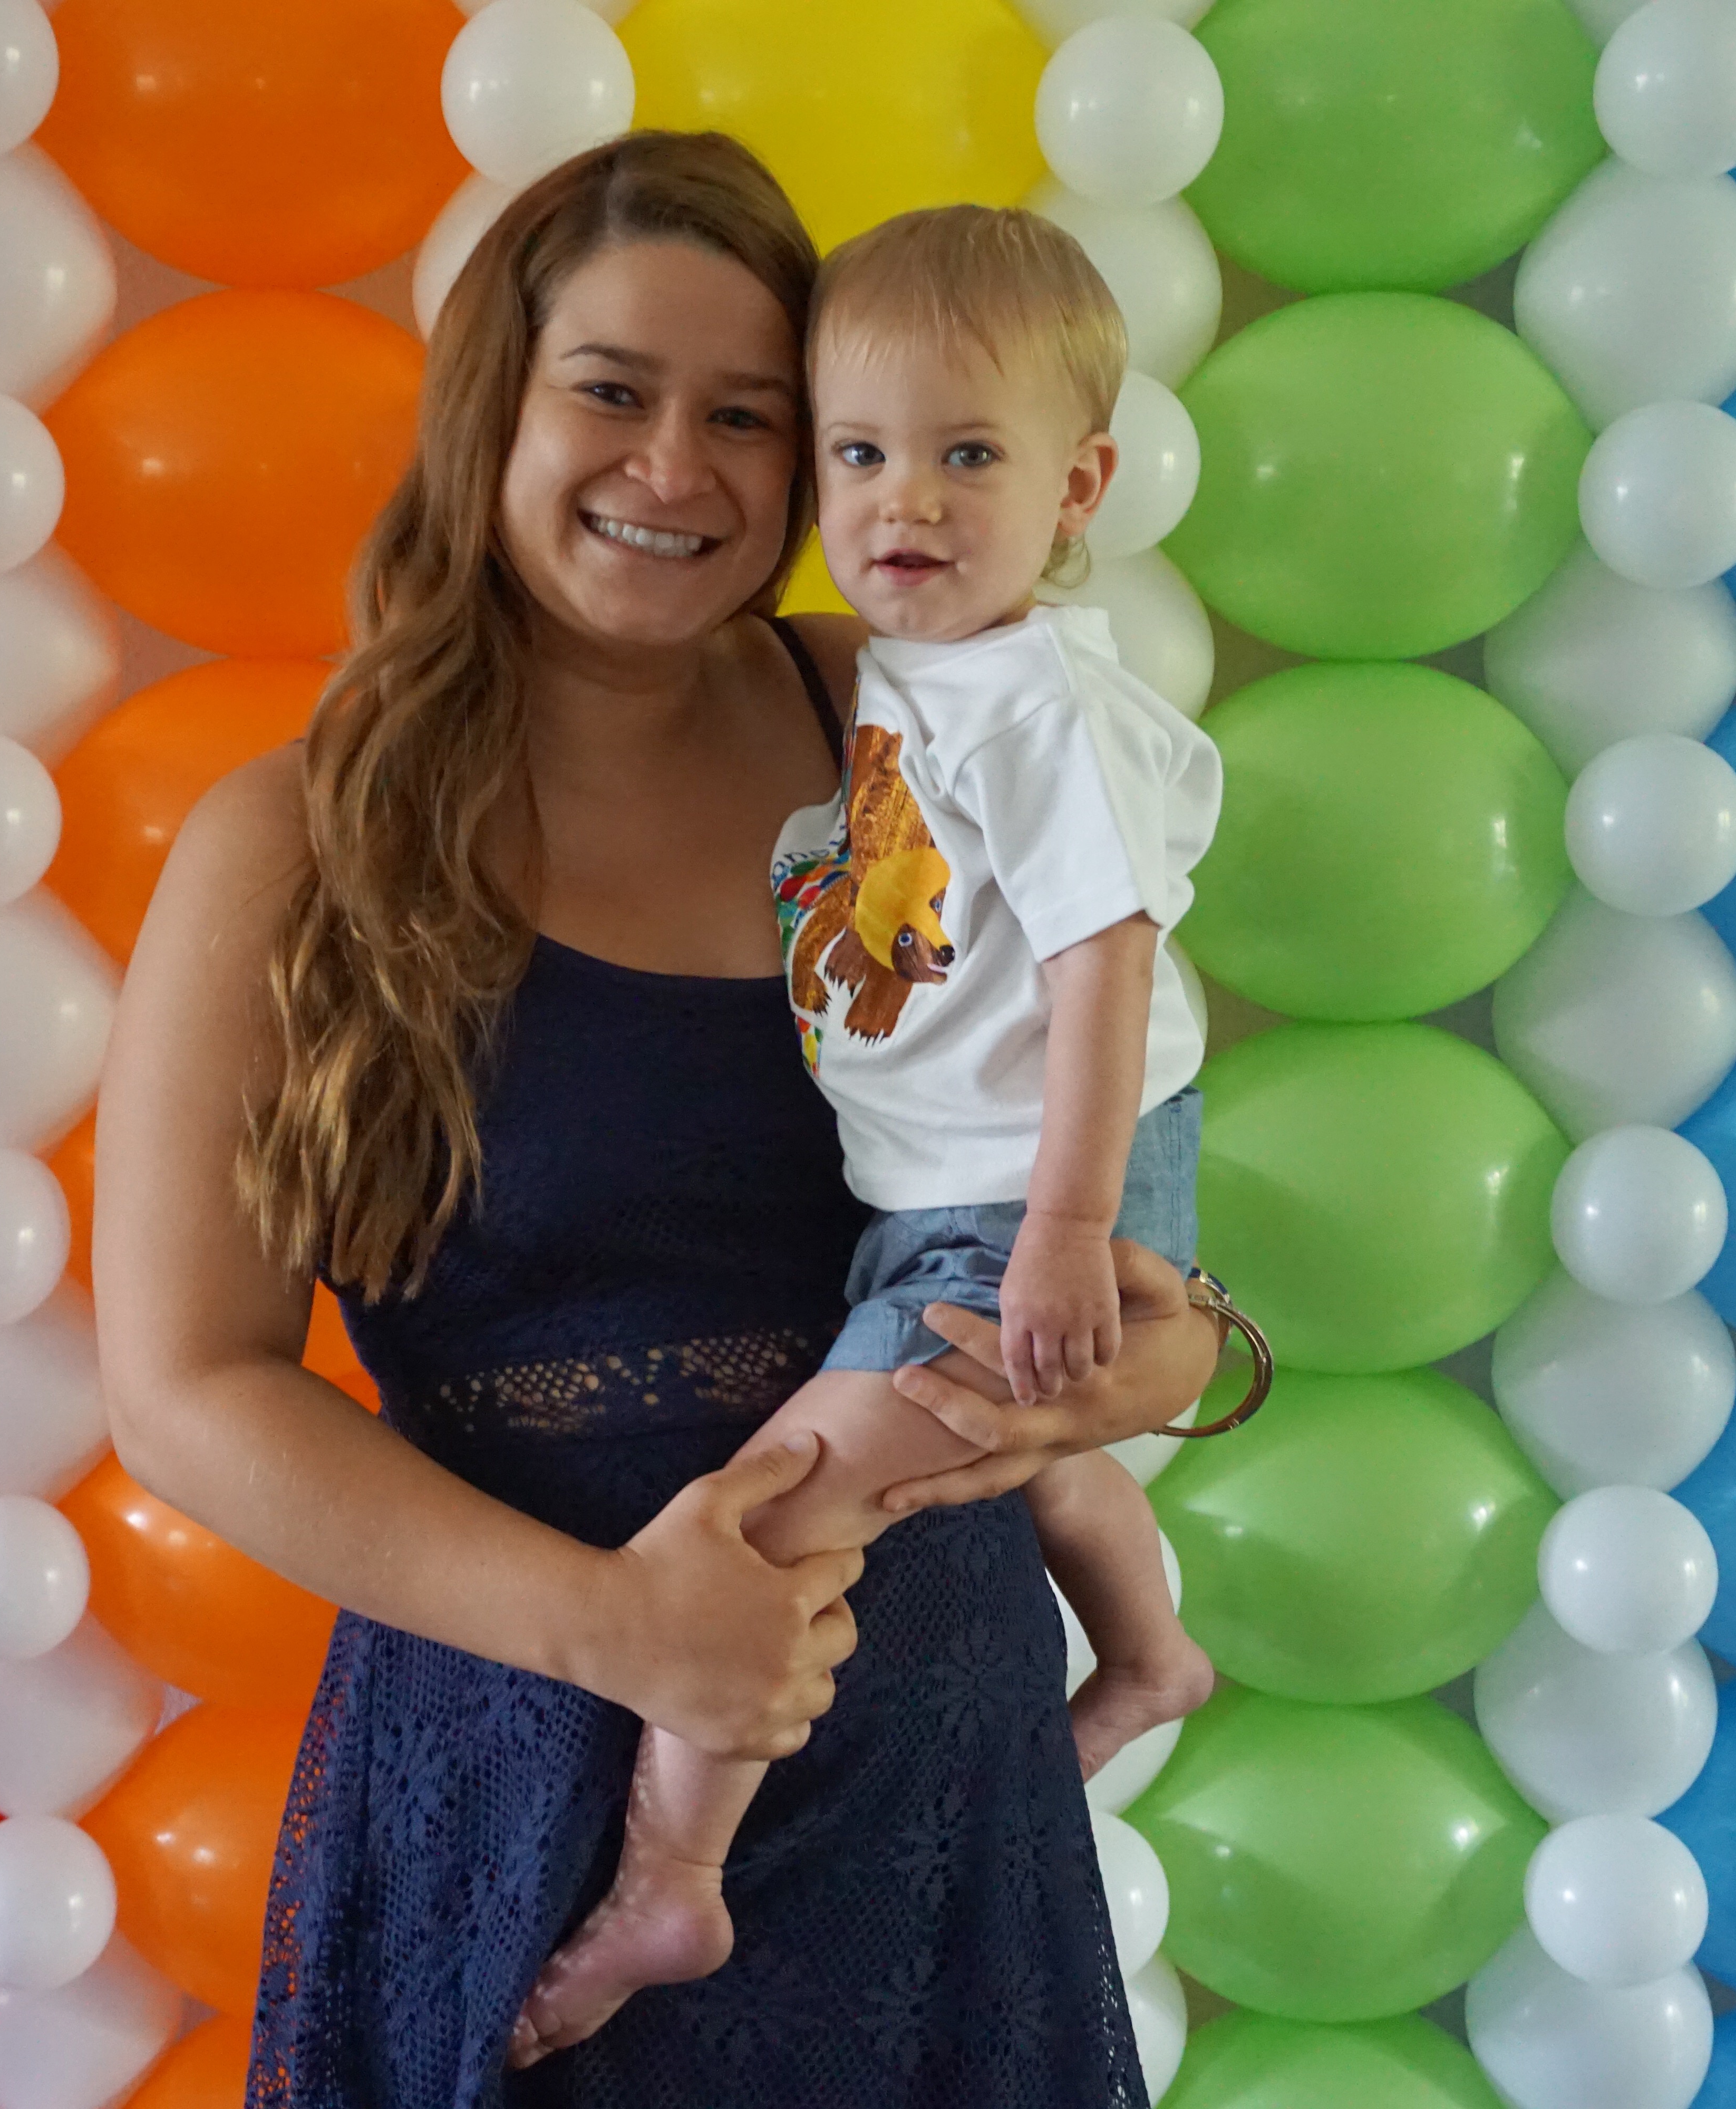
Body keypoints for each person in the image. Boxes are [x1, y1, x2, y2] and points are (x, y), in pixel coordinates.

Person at [92, 131, 1223, 2108]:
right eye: (612, 392)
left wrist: (1176, 1351)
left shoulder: (905, 718)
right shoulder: (296, 842)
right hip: (529, 1776)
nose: (676, 469)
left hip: (934, 1776)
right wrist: (619, 1629)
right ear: (493, 410)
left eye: (748, 416)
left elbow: (1101, 1138)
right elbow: (188, 1389)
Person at [511, 204, 1224, 2067]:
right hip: (951, 1194)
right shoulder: (899, 670)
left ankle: (674, 1874)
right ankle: (1152, 1656)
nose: (904, 500)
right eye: (860, 452)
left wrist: (1066, 1230)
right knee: (1021, 1453)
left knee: (768, 1520)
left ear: (1079, 488)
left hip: (1017, 1190)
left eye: (968, 456)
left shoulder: (1031, 699)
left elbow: (1105, 963)